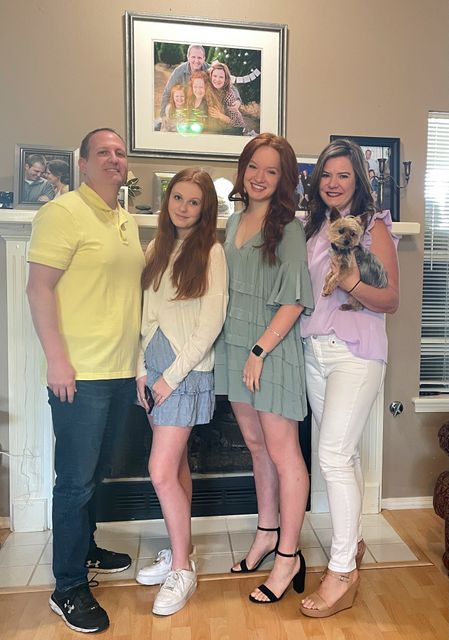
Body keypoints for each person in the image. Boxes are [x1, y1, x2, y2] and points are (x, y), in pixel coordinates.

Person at [26, 128, 145, 634]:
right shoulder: (62, 212)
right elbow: (38, 290)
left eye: (120, 152)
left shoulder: (125, 219)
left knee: (96, 473)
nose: (114, 159)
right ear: (82, 163)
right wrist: (57, 360)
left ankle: (87, 549)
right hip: (79, 375)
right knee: (74, 482)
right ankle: (68, 587)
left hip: (120, 372)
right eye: (103, 152)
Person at [299, 138, 399, 618]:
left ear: (358, 178)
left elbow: (391, 299)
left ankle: (341, 571)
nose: (334, 183)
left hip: (356, 354)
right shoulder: (314, 227)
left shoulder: (374, 226)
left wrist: (352, 282)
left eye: (343, 174)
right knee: (347, 454)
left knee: (333, 457)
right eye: (326, 175)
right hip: (314, 351)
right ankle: (353, 543)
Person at [215, 132, 314, 604]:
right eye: (253, 166)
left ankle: (288, 556)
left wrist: (259, 350)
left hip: (268, 351)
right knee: (256, 448)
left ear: (283, 179)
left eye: (271, 170)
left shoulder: (290, 228)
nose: (259, 177)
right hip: (235, 347)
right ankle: (266, 534)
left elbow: (295, 300)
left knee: (283, 453)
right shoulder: (234, 219)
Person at [135, 168, 228, 616]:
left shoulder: (211, 252)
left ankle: (182, 573)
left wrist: (169, 378)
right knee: (175, 467)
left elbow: (209, 326)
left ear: (205, 208)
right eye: (178, 198)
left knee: (159, 472)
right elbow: (146, 316)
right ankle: (181, 552)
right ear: (167, 199)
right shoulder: (157, 247)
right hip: (152, 369)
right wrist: (141, 371)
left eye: (194, 202)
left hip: (183, 375)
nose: (184, 208)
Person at [159, 44, 209, 118]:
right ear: (188, 57)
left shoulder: (209, 70)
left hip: (203, 109)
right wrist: (163, 115)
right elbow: (167, 92)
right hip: (184, 109)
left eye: (199, 57)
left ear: (204, 58)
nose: (196, 61)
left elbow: (224, 83)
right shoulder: (179, 71)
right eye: (193, 57)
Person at [207, 61, 246, 132]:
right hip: (221, 125)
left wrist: (219, 115)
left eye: (221, 77)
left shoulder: (229, 96)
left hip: (235, 128)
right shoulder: (212, 89)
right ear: (211, 76)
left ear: (225, 79)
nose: (217, 80)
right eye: (215, 76)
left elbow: (233, 122)